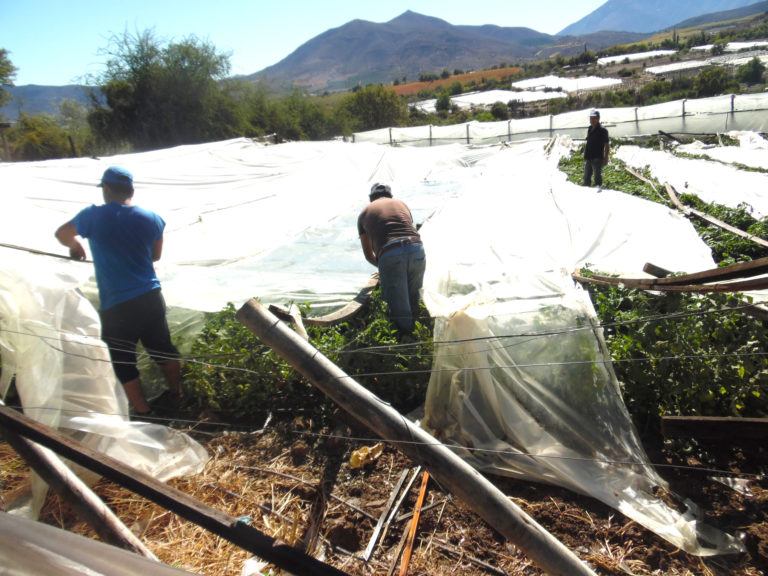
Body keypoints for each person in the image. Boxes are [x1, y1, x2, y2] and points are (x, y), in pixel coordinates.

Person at [55, 166, 182, 419]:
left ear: (106, 188)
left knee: (123, 359)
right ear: (132, 190)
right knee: (162, 349)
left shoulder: (92, 216)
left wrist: (76, 244)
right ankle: (177, 395)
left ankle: (144, 411)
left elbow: (61, 234)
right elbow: (155, 255)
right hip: (150, 297)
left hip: (117, 305)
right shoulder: (152, 218)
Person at [358, 183, 426, 335]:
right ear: (390, 196)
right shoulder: (401, 204)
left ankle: (407, 345)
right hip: (416, 249)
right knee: (414, 298)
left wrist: (385, 267)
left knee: (400, 308)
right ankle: (419, 339)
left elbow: (369, 255)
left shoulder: (364, 213)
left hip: (390, 253)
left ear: (371, 198)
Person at [583, 109, 610, 188]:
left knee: (597, 177)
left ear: (598, 119)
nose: (592, 120)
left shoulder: (603, 130)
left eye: (594, 118)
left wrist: (606, 158)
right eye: (590, 118)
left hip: (597, 158)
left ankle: (598, 191)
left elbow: (607, 145)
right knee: (586, 177)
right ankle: (587, 190)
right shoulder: (589, 128)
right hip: (588, 157)